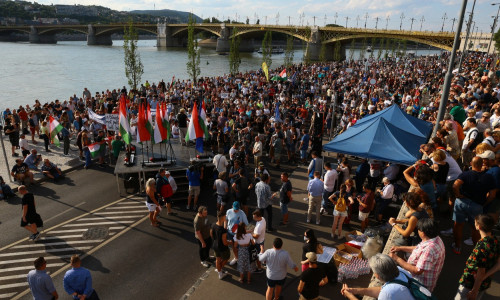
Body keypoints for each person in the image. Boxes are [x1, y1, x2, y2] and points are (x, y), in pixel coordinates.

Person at [452, 156, 496, 254]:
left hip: (462, 202)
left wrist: (458, 195)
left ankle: (457, 246)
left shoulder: (465, 174)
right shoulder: (488, 177)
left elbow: (455, 185)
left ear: (471, 163)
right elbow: (492, 195)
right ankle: (475, 251)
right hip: (477, 205)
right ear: (482, 165)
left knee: (458, 225)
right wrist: (485, 203)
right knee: (476, 228)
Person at [389, 218, 445, 292]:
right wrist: (400, 248)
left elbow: (417, 270)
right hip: (429, 278)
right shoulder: (436, 238)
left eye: (419, 230)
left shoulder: (428, 249)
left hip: (420, 283)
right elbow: (418, 248)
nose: (418, 231)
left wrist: (396, 258)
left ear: (423, 233)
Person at [455, 214, 500, 300]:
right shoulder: (495, 240)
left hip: (471, 283)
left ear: (478, 226)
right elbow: (498, 264)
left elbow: (481, 271)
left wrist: (474, 291)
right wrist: (485, 277)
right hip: (484, 283)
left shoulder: (481, 246)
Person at [341, 253, 415, 300]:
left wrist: (350, 296)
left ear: (377, 275)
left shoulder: (387, 293)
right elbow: (381, 290)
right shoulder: (400, 271)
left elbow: (385, 292)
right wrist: (355, 291)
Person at [226, 201, 249, 266]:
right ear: (232, 206)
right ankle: (236, 258)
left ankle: (241, 259)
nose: (236, 210)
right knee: (234, 246)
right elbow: (226, 219)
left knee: (240, 247)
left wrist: (243, 232)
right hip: (230, 233)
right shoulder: (228, 211)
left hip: (239, 234)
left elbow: (246, 224)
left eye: (237, 209)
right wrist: (225, 227)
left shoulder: (242, 213)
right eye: (235, 209)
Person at [211, 211, 230, 279]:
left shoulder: (213, 225)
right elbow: (225, 242)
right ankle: (220, 270)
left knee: (217, 259)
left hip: (215, 245)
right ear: (223, 217)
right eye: (225, 216)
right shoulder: (222, 230)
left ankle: (219, 271)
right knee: (226, 258)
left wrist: (216, 240)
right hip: (222, 247)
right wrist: (230, 243)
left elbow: (211, 234)